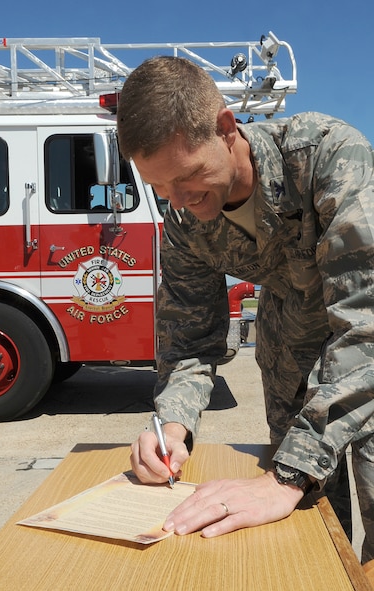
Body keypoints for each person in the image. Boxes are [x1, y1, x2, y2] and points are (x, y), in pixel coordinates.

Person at [116, 56, 374, 563]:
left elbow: (367, 322)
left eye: (187, 177)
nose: (179, 201)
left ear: (226, 128)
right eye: (160, 188)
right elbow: (189, 338)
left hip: (365, 367)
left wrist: (287, 473)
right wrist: (172, 426)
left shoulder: (328, 156)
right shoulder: (183, 215)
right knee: (313, 538)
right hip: (290, 359)